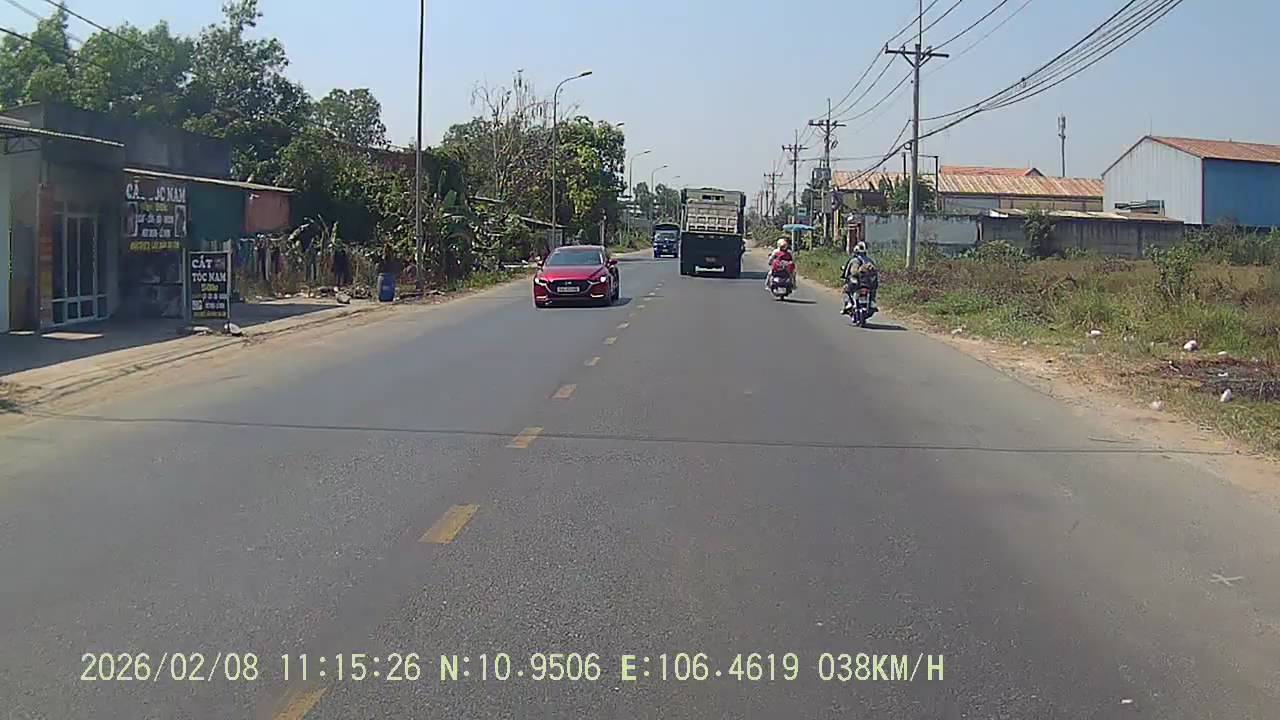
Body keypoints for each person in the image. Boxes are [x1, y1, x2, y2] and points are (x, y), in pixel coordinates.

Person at [841, 241, 878, 316]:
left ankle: (848, 303)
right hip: (868, 283)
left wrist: (845, 277)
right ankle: (872, 302)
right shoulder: (870, 260)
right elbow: (875, 273)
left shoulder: (853, 260)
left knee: (846, 289)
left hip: (857, 283)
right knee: (873, 290)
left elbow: (848, 272)